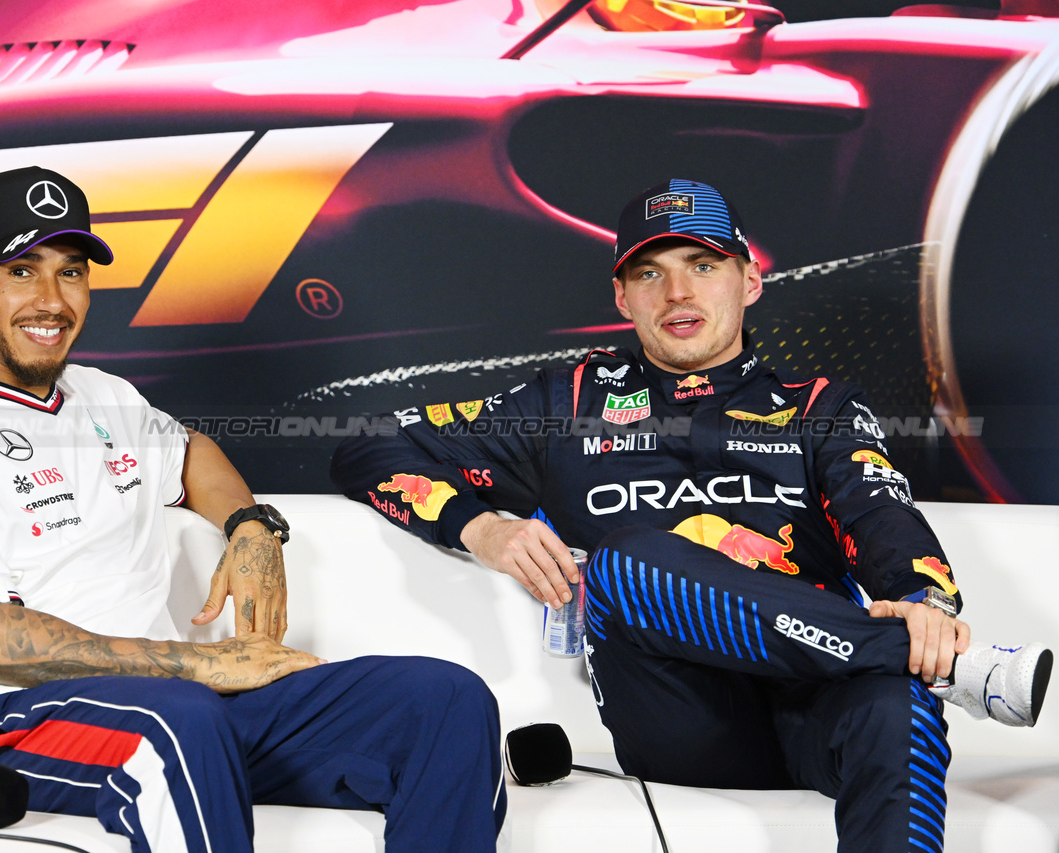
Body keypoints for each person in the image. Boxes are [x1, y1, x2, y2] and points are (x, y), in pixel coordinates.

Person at [331, 178, 1052, 853]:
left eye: (703, 264)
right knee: (623, 563)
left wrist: (926, 603)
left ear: (751, 279)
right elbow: (368, 445)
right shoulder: (565, 402)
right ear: (621, 296)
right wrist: (480, 526)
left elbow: (881, 514)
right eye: (650, 272)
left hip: (819, 701)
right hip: (678, 718)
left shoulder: (819, 406)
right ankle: (958, 669)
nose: (677, 290)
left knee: (902, 708)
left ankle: (918, 664)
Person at [0, 167, 506, 853]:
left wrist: (252, 528)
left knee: (444, 702)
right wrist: (196, 664)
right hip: (7, 723)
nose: (51, 300)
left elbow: (193, 456)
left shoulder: (105, 397)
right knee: (179, 723)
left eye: (70, 273)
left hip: (179, 707)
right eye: (22, 270)